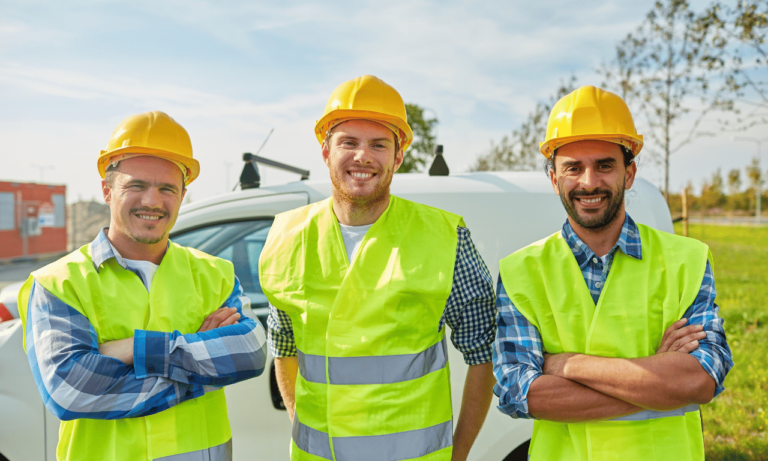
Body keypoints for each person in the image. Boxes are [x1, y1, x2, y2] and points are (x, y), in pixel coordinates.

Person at [258, 75, 497, 461]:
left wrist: (460, 452)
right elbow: (283, 349)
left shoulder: (445, 237)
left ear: (398, 156)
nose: (362, 157)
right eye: (348, 142)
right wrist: (301, 425)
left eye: (379, 145)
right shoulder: (287, 236)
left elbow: (484, 354)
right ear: (325, 151)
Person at [492, 86, 734, 461]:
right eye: (573, 167)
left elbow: (699, 379)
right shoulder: (520, 271)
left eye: (604, 165)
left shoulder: (687, 260)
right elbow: (518, 393)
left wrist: (566, 364)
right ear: (555, 179)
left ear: (629, 173)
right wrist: (657, 381)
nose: (589, 182)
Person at [18, 110, 268, 461]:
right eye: (136, 185)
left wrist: (132, 348)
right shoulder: (58, 283)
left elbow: (251, 352)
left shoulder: (216, 273)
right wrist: (201, 361)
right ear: (107, 190)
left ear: (182, 194)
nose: (152, 201)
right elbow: (71, 389)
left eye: (167, 188)